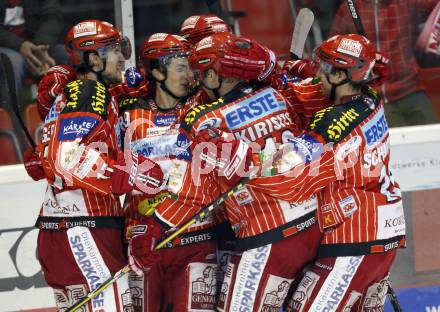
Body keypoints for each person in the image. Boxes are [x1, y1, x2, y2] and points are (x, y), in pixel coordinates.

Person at [149, 32, 322, 312]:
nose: (196, 79)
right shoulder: (282, 93)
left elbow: (196, 188)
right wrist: (295, 70)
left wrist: (157, 225)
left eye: (201, 72)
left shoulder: (204, 119)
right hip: (314, 226)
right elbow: (333, 102)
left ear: (217, 75)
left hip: (268, 236)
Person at [246, 34, 405, 311]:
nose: (318, 74)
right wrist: (297, 70)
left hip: (354, 236)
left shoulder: (331, 121)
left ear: (342, 75)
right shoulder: (370, 97)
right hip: (381, 231)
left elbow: (290, 178)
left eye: (325, 68)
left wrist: (248, 164)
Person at [34, 19, 164, 311]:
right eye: (115, 50)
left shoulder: (82, 91)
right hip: (82, 229)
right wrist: (130, 173)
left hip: (65, 228)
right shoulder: (88, 92)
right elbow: (67, 157)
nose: (122, 58)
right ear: (93, 58)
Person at [119, 32, 222, 312]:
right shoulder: (128, 113)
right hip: (143, 241)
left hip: (196, 238)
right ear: (156, 72)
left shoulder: (201, 107)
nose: (189, 75)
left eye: (191, 66)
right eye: (180, 67)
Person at [329, 0, 439, 127]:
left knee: (433, 135)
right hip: (372, 95)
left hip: (410, 88)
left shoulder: (406, 2)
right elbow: (332, 51)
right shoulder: (351, 7)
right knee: (394, 141)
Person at [0, 0, 66, 93]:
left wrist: (41, 46)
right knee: (11, 63)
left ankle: (81, 105)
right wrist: (20, 45)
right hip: (7, 46)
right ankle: (7, 107)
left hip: (38, 45)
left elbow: (52, 16)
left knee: (71, 54)